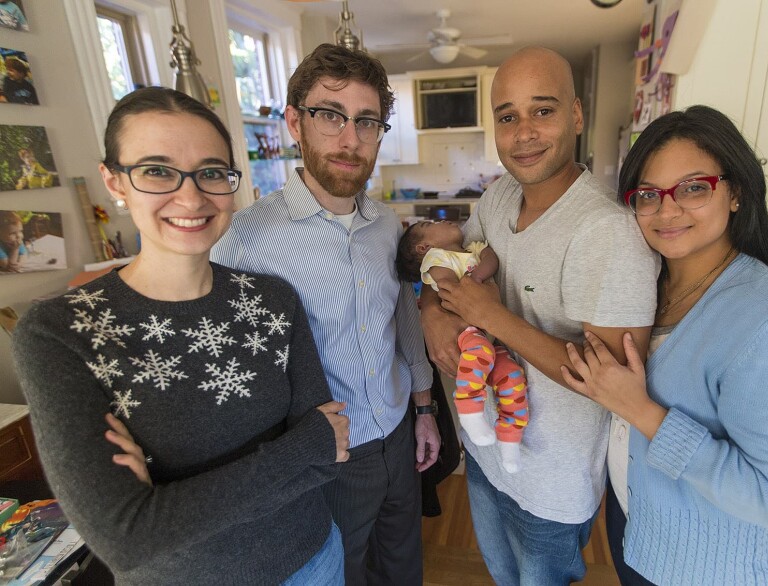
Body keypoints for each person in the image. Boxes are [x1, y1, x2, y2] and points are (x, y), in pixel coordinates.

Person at [12, 87, 349, 586]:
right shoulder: (61, 333)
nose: (190, 197)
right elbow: (125, 538)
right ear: (115, 181)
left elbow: (332, 455)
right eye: (156, 170)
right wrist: (299, 448)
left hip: (314, 557)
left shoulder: (273, 300)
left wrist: (166, 502)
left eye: (212, 172)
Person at [561, 105, 768, 585]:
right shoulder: (650, 282)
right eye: (649, 194)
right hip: (637, 527)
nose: (667, 209)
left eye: (693, 187)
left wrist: (640, 410)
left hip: (707, 567)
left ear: (735, 193)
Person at [420, 46, 659, 584]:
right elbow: (448, 266)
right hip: (485, 454)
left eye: (543, 110)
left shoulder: (607, 230)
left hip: (551, 482)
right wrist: (430, 310)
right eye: (508, 116)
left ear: (576, 115)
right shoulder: (500, 194)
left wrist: (493, 317)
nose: (523, 132)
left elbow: (614, 381)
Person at [211, 43, 439, 585]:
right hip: (325, 459)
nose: (350, 139)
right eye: (330, 115)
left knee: (404, 565)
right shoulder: (242, 242)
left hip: (398, 431)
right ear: (295, 121)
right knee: (340, 573)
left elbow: (402, 319)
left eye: (366, 122)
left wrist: (425, 407)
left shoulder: (387, 224)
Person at [397, 219, 528, 473]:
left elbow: (492, 261)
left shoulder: (473, 248)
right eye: (429, 223)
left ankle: (510, 439)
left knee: (512, 377)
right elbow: (450, 290)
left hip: (487, 332)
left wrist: (477, 276)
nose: (441, 219)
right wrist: (478, 288)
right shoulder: (436, 260)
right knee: (481, 351)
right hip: (466, 332)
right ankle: (469, 412)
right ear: (424, 248)